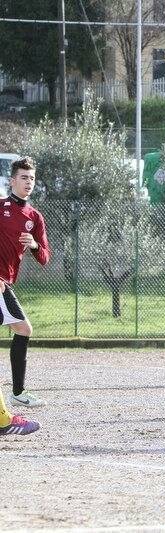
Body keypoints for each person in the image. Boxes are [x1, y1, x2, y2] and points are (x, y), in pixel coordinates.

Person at [0, 157, 51, 436]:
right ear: (12, 180)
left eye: (31, 178)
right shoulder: (1, 207)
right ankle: (7, 413)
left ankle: (17, 394)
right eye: (23, 177)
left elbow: (44, 257)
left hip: (5, 283)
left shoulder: (35, 218)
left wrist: (33, 244)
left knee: (23, 329)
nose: (28, 182)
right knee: (24, 328)